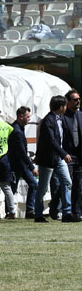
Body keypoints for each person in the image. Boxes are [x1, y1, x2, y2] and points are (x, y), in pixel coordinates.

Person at [34, 96, 72, 222]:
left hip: (59, 158)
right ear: (61, 107)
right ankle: (38, 215)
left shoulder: (61, 119)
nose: (66, 108)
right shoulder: (48, 120)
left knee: (67, 182)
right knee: (43, 188)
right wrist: (64, 154)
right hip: (48, 159)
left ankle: (67, 213)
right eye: (65, 105)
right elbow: (51, 141)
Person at [8, 106, 37, 218]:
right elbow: (22, 152)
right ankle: (9, 212)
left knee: (33, 184)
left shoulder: (19, 129)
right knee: (12, 189)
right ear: (21, 116)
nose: (29, 119)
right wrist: (32, 167)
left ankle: (30, 210)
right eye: (28, 116)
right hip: (16, 165)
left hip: (21, 165)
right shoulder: (16, 131)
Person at [62, 90, 82, 220]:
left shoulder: (80, 115)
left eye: (79, 99)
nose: (78, 101)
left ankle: (77, 211)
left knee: (78, 185)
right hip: (67, 155)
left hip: (79, 156)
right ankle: (62, 209)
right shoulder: (63, 117)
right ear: (68, 102)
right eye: (75, 99)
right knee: (67, 183)